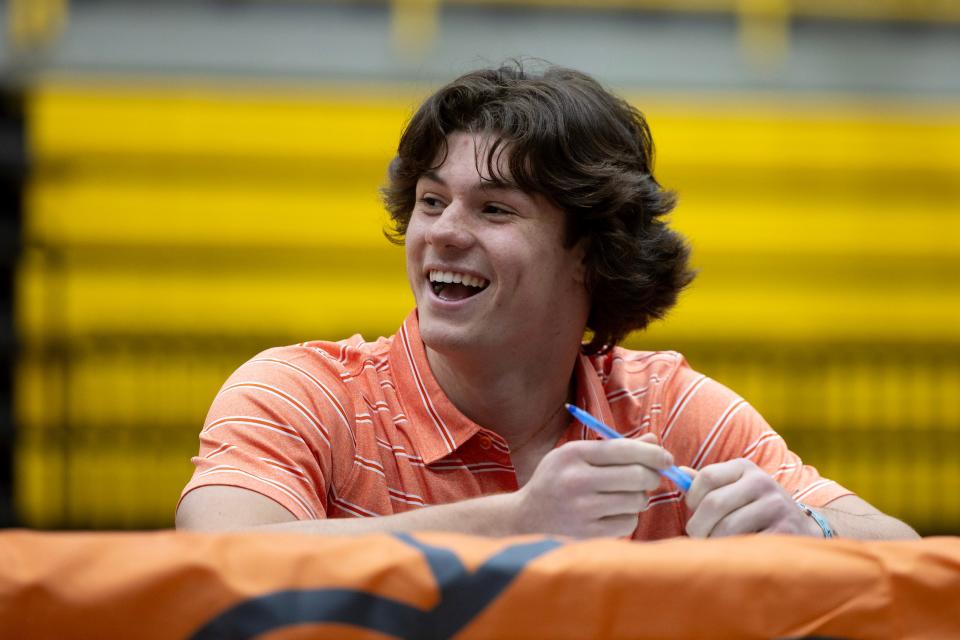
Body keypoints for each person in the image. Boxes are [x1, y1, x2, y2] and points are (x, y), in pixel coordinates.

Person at [176, 63, 917, 540]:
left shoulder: (668, 411)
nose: (443, 234)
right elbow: (219, 559)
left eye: (495, 210)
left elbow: (899, 549)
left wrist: (809, 529)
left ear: (590, 251)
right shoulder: (303, 394)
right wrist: (517, 522)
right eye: (432, 201)